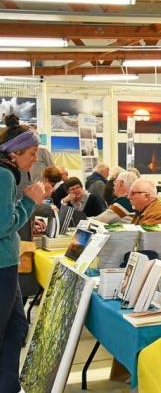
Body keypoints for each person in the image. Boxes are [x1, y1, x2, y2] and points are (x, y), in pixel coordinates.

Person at [0, 114, 45, 392]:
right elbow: (3, 225)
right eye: (31, 153)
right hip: (3, 265)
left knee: (17, 326)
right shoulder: (4, 175)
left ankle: (9, 385)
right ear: (15, 153)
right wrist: (30, 202)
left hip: (7, 263)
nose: (35, 159)